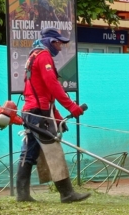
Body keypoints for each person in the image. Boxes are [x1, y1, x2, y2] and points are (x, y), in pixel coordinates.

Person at [17, 28, 89, 203]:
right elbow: (52, 85)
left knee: (29, 152)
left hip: (32, 111)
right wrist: (72, 107)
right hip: (38, 113)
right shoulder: (43, 57)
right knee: (53, 150)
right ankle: (67, 194)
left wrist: (56, 117)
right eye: (58, 43)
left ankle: (22, 195)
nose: (61, 47)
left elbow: (43, 94)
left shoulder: (33, 56)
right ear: (50, 41)